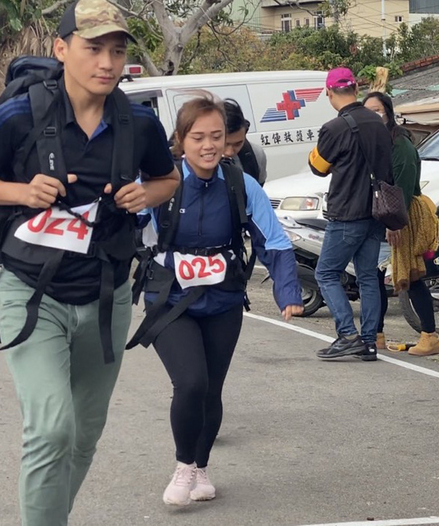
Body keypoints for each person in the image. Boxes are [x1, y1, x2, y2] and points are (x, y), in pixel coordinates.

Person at [0, 1, 180, 523]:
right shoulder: (21, 113)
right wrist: (20, 190)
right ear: (61, 48)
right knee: (52, 428)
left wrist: (148, 193)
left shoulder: (138, 124)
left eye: (116, 51)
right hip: (31, 292)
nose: (106, 62)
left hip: (106, 296)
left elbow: (170, 180)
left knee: (84, 435)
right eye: (93, 47)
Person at [130, 95, 303, 506]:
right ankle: (183, 466)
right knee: (190, 382)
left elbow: (274, 242)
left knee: (211, 389)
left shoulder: (240, 184)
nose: (208, 145)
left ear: (228, 141)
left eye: (217, 137)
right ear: (181, 140)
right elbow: (122, 228)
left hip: (223, 299)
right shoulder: (160, 183)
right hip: (168, 299)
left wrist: (288, 291)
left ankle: (201, 467)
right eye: (198, 137)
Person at [308, 67, 393, 361]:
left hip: (347, 211)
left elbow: (318, 167)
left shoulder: (334, 128)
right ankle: (369, 342)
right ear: (355, 89)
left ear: (329, 93)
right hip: (376, 212)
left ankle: (347, 334)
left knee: (327, 272)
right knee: (368, 276)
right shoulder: (378, 123)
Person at [364, 92, 439, 356]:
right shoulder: (373, 142)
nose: (373, 116)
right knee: (375, 276)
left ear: (388, 111)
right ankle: (376, 334)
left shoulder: (401, 145)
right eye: (368, 111)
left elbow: (404, 186)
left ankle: (430, 336)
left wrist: (395, 224)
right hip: (381, 216)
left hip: (402, 216)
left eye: (377, 110)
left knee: (411, 276)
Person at [223, 98, 268, 186]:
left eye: (238, 144)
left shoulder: (255, 154)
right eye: (225, 144)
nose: (230, 152)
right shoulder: (195, 160)